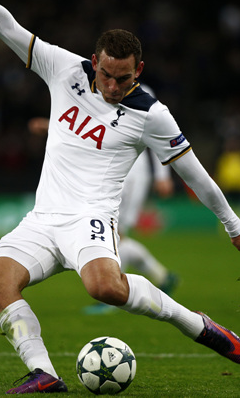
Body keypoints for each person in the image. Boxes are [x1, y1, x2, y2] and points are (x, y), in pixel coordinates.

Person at [0, 0, 240, 394]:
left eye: (123, 78)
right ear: (94, 62)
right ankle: (44, 374)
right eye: (106, 74)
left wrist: (233, 226)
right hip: (43, 218)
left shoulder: (152, 115)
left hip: (91, 217)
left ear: (138, 69)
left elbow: (194, 173)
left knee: (105, 288)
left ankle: (197, 324)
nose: (112, 85)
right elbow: (7, 27)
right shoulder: (63, 69)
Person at [28, 86, 179, 317]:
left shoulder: (142, 92)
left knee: (113, 234)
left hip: (130, 173)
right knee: (117, 234)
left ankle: (114, 294)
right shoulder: (95, 87)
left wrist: (162, 175)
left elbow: (161, 135)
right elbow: (92, 127)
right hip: (109, 172)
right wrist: (52, 126)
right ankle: (161, 276)